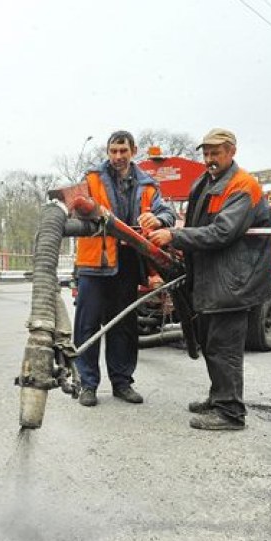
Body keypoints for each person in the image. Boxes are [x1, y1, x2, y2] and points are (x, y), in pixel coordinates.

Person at [148, 128, 271, 430]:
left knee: (224, 347)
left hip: (234, 281)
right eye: (205, 153)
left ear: (231, 151)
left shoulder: (243, 186)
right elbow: (196, 225)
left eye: (215, 153)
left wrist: (174, 236)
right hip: (211, 279)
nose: (209, 159)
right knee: (211, 342)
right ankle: (219, 397)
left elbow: (223, 232)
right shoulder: (206, 182)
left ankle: (231, 412)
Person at [73, 130, 176, 407]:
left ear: (134, 151)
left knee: (124, 327)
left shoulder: (147, 184)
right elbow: (74, 207)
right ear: (107, 152)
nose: (118, 157)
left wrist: (156, 218)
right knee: (87, 327)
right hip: (94, 265)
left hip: (128, 265)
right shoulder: (92, 178)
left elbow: (169, 214)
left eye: (123, 151)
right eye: (113, 151)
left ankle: (122, 383)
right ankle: (87, 385)